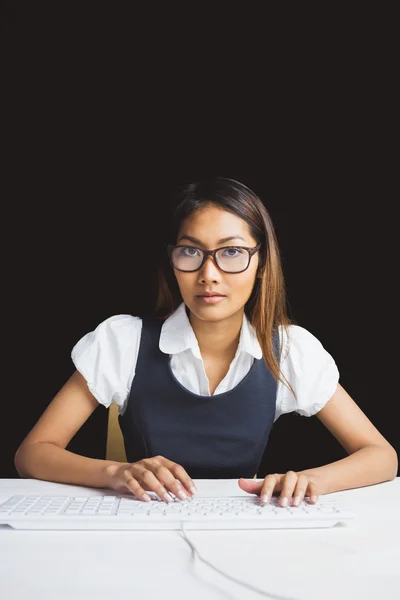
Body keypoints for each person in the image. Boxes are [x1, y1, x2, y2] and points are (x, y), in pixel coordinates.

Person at [14, 177, 397, 508]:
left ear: (261, 262)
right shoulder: (123, 340)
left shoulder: (289, 349)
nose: (208, 274)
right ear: (173, 260)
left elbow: (382, 457)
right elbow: (33, 454)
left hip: (237, 529)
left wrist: (313, 481)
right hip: (142, 523)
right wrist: (117, 472)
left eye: (231, 252)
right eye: (191, 252)